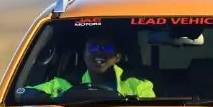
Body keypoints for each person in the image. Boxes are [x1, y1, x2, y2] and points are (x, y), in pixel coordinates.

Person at [25, 35, 155, 99]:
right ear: (84, 54)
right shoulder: (63, 84)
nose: (99, 52)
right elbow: (22, 93)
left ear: (117, 57)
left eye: (107, 48)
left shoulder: (137, 85)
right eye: (93, 47)